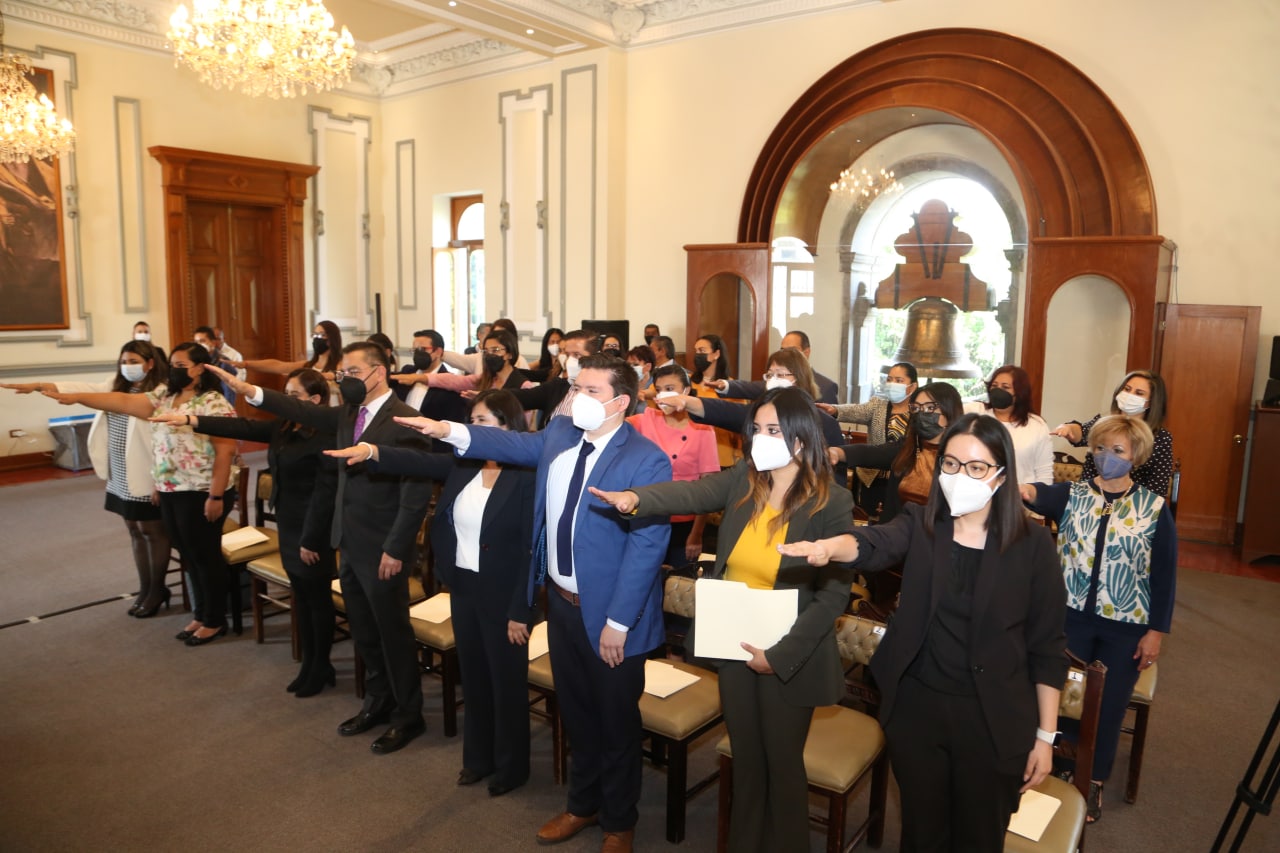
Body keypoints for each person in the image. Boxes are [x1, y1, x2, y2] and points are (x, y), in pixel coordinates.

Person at [399, 354, 671, 853]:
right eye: (575, 388)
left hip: (612, 617)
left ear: (620, 402)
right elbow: (508, 441)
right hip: (562, 607)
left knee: (615, 723)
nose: (573, 399)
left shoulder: (647, 458)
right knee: (578, 714)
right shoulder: (562, 437)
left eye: (588, 391)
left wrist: (618, 622)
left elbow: (647, 549)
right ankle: (582, 805)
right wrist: (447, 429)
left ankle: (618, 821)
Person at [779, 413, 1068, 851]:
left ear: (1002, 475)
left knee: (978, 837)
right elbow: (873, 543)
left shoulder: (1032, 545)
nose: (959, 476)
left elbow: (1048, 647)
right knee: (921, 833)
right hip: (919, 708)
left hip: (993, 717)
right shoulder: (923, 523)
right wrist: (828, 548)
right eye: (950, 464)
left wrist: (1045, 737)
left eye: (976, 467)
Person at [592, 386, 856, 852]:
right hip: (734, 642)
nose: (760, 438)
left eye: (773, 430)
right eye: (757, 429)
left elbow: (832, 598)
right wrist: (636, 498)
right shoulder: (745, 480)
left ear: (799, 437)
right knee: (748, 762)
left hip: (788, 654)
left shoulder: (829, 501)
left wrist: (779, 656)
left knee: (782, 766)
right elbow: (692, 491)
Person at [207, 344, 434, 753]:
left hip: (384, 548)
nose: (342, 377)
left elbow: (414, 496)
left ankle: (408, 714)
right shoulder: (348, 414)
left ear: (378, 372)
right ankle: (378, 700)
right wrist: (250, 391)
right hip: (347, 541)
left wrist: (396, 549)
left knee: (392, 634)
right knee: (364, 631)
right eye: (341, 371)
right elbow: (303, 413)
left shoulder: (409, 420)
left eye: (352, 371)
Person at [328, 389, 536, 796]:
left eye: (485, 422)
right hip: (464, 587)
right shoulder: (465, 464)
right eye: (471, 422)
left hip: (505, 594)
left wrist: (521, 609)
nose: (474, 429)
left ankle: (512, 768)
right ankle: (477, 758)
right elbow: (419, 460)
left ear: (509, 428)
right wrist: (373, 451)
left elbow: (532, 549)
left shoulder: (526, 475)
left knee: (506, 683)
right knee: (474, 678)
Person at [1021, 414, 1176, 824]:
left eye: (1118, 451)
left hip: (1126, 625)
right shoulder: (1072, 494)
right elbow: (1034, 493)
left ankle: (1093, 779)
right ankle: (1053, 765)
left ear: (1136, 456)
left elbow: (1164, 577)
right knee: (1060, 695)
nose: (1108, 457)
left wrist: (1156, 632)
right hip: (1070, 618)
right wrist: (1015, 484)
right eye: (1101, 448)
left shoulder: (1154, 507)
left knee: (1107, 707)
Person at [154, 368, 340, 696]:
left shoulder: (326, 435)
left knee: (317, 599)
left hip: (313, 529)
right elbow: (241, 426)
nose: (285, 400)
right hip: (289, 523)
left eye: (293, 395)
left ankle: (321, 664)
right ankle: (311, 662)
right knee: (303, 597)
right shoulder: (285, 427)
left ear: (315, 400)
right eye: (285, 393)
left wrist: (311, 539)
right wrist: (191, 421)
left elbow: (326, 495)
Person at [42, 342, 241, 644]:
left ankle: (215, 620)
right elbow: (124, 404)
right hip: (171, 488)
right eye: (171, 364)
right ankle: (200, 614)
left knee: (205, 555)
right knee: (187, 553)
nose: (173, 370)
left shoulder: (213, 403)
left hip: (202, 491)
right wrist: (77, 398)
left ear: (199, 368)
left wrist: (215, 496)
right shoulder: (165, 397)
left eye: (180, 365)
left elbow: (225, 452)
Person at [3, 340, 172, 617]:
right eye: (124, 361)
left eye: (133, 361)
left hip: (148, 470)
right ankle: (145, 588)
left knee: (152, 530)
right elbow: (80, 388)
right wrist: (38, 385)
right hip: (120, 470)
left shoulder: (161, 391)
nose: (127, 367)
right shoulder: (114, 385)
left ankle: (157, 589)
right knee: (133, 529)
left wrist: (160, 480)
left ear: (150, 362)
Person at [626, 364, 720, 568]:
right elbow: (615, 424)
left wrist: (696, 535)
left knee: (677, 580)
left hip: (684, 523)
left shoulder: (703, 428)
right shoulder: (648, 418)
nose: (663, 396)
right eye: (659, 390)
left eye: (670, 389)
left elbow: (708, 488)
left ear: (686, 391)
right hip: (649, 515)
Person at [832, 382, 964, 522]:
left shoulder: (964, 457)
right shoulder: (909, 448)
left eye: (930, 408)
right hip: (898, 532)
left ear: (950, 410)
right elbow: (873, 453)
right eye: (916, 408)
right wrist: (837, 452)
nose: (921, 414)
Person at [1050, 369, 1174, 495]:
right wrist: (1068, 429)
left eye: (1139, 393)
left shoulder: (1160, 438)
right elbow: (1080, 432)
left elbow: (1158, 487)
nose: (1130, 395)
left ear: (1151, 402)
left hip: (1133, 507)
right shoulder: (1105, 425)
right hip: (1090, 499)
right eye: (1127, 389)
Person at [819, 361, 917, 514]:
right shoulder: (878, 404)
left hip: (905, 480)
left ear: (912, 386)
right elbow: (857, 410)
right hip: (872, 478)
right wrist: (835, 410)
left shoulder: (919, 413)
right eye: (890, 379)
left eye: (899, 381)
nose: (892, 384)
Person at [965, 365, 1053, 484]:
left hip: (1020, 497)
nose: (998, 390)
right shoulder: (975, 411)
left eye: (1005, 387)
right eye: (994, 386)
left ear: (1019, 393)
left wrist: (1038, 498)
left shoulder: (1037, 425)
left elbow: (1044, 472)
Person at [388, 329, 468, 450]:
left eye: (423, 350)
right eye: (415, 350)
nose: (418, 354)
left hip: (431, 448)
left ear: (438, 352)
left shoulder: (450, 385)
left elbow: (452, 425)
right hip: (401, 445)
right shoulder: (407, 373)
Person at [708, 331, 839, 404]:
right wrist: (725, 385)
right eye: (783, 349)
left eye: (793, 350)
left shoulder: (827, 386)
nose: (786, 354)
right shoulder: (775, 381)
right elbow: (751, 387)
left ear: (806, 352)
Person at [239, 320, 343, 379]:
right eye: (314, 335)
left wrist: (320, 376)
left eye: (321, 335)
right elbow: (278, 366)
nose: (316, 339)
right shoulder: (308, 366)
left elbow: (341, 376)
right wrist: (246, 364)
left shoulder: (341, 364)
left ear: (331, 339)